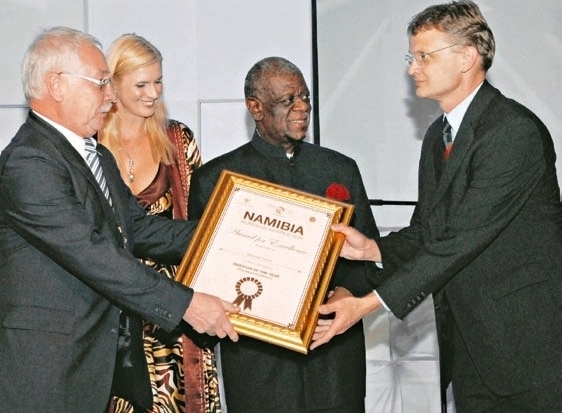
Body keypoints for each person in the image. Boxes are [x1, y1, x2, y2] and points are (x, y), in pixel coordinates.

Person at [311, 1, 562, 412]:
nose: (413, 68)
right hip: (470, 347)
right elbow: (429, 230)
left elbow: (458, 243)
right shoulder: (437, 135)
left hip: (529, 349)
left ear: (467, 57)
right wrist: (372, 249)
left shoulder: (512, 132)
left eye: (424, 56)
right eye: (412, 57)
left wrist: (368, 304)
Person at [0, 26, 239, 413]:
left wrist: (235, 235)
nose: (111, 96)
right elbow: (94, 255)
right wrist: (187, 305)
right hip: (48, 373)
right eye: (101, 83)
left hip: (98, 365)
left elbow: (142, 229)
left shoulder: (95, 156)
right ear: (56, 85)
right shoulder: (29, 162)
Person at [188, 56, 380, 413]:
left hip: (334, 361)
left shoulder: (340, 169)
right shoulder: (216, 180)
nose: (302, 107)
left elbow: (370, 254)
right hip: (259, 370)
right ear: (256, 108)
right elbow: (207, 278)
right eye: (288, 100)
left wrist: (348, 291)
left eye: (305, 97)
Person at [98, 33, 221, 413]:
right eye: (141, 84)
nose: (153, 93)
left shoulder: (177, 140)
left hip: (174, 315)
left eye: (158, 81)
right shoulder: (90, 143)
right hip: (110, 310)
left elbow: (203, 223)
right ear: (113, 83)